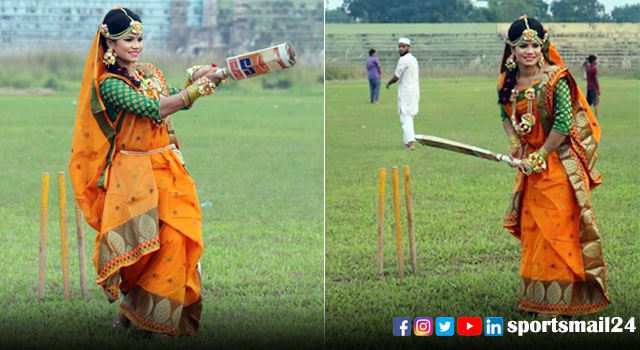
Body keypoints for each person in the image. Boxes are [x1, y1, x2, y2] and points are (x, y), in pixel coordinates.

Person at [68, 7, 225, 338]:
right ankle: (131, 315)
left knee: (174, 237)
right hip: (132, 174)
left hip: (166, 168)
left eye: (139, 38)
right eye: (128, 39)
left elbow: (169, 100)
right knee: (140, 250)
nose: (136, 45)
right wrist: (194, 91)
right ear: (109, 43)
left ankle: (153, 321)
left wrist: (195, 79)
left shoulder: (150, 71)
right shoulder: (109, 84)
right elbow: (153, 108)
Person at [497, 15, 609, 317]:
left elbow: (562, 123)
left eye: (535, 44)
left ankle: (561, 303)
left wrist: (540, 155)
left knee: (558, 231)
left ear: (543, 46)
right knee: (535, 233)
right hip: (531, 170)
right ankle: (536, 298)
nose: (529, 51)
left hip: (558, 165)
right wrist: (515, 145)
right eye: (522, 46)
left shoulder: (556, 78)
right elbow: (505, 115)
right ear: (511, 49)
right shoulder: (506, 82)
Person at [386, 37, 419, 150]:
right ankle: (407, 141)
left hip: (406, 91)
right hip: (413, 91)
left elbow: (396, 76)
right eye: (399, 46)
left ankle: (410, 142)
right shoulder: (413, 59)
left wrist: (389, 83)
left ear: (408, 48)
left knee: (406, 117)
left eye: (403, 47)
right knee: (408, 116)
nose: (400, 49)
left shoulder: (404, 60)